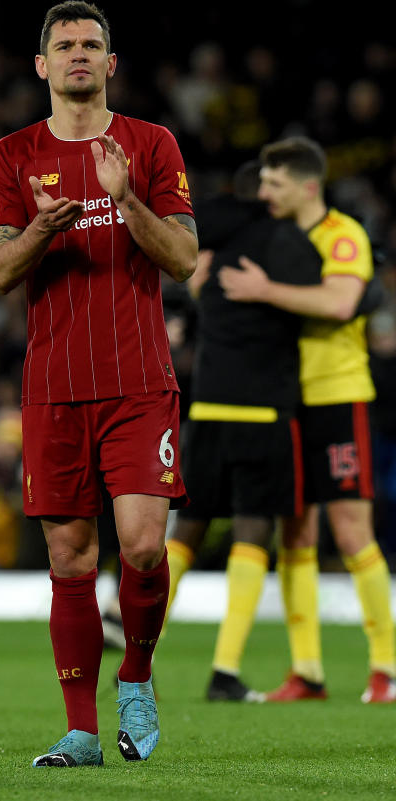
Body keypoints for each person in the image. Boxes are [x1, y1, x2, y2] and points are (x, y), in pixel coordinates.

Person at [0, 0, 197, 767]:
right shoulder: (12, 154)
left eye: (93, 44)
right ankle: (81, 729)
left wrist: (125, 198)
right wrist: (44, 225)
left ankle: (135, 676)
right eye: (64, 45)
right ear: (41, 65)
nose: (79, 53)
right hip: (53, 387)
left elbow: (182, 258)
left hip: (139, 381)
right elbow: (0, 270)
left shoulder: (151, 144)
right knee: (70, 558)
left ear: (111, 63)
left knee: (141, 548)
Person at [218, 136, 396, 704]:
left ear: (307, 187)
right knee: (294, 531)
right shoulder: (278, 239)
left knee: (350, 531)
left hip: (338, 397)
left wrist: (266, 290)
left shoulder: (342, 234)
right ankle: (308, 671)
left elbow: (342, 303)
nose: (263, 192)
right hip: (285, 402)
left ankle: (387, 667)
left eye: (274, 183)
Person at [163, 160, 323, 702]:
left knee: (188, 529)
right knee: (253, 535)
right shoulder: (294, 243)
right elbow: (328, 308)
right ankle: (224, 671)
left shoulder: (215, 237)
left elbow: (189, 256)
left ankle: (139, 649)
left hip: (209, 407)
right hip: (264, 410)